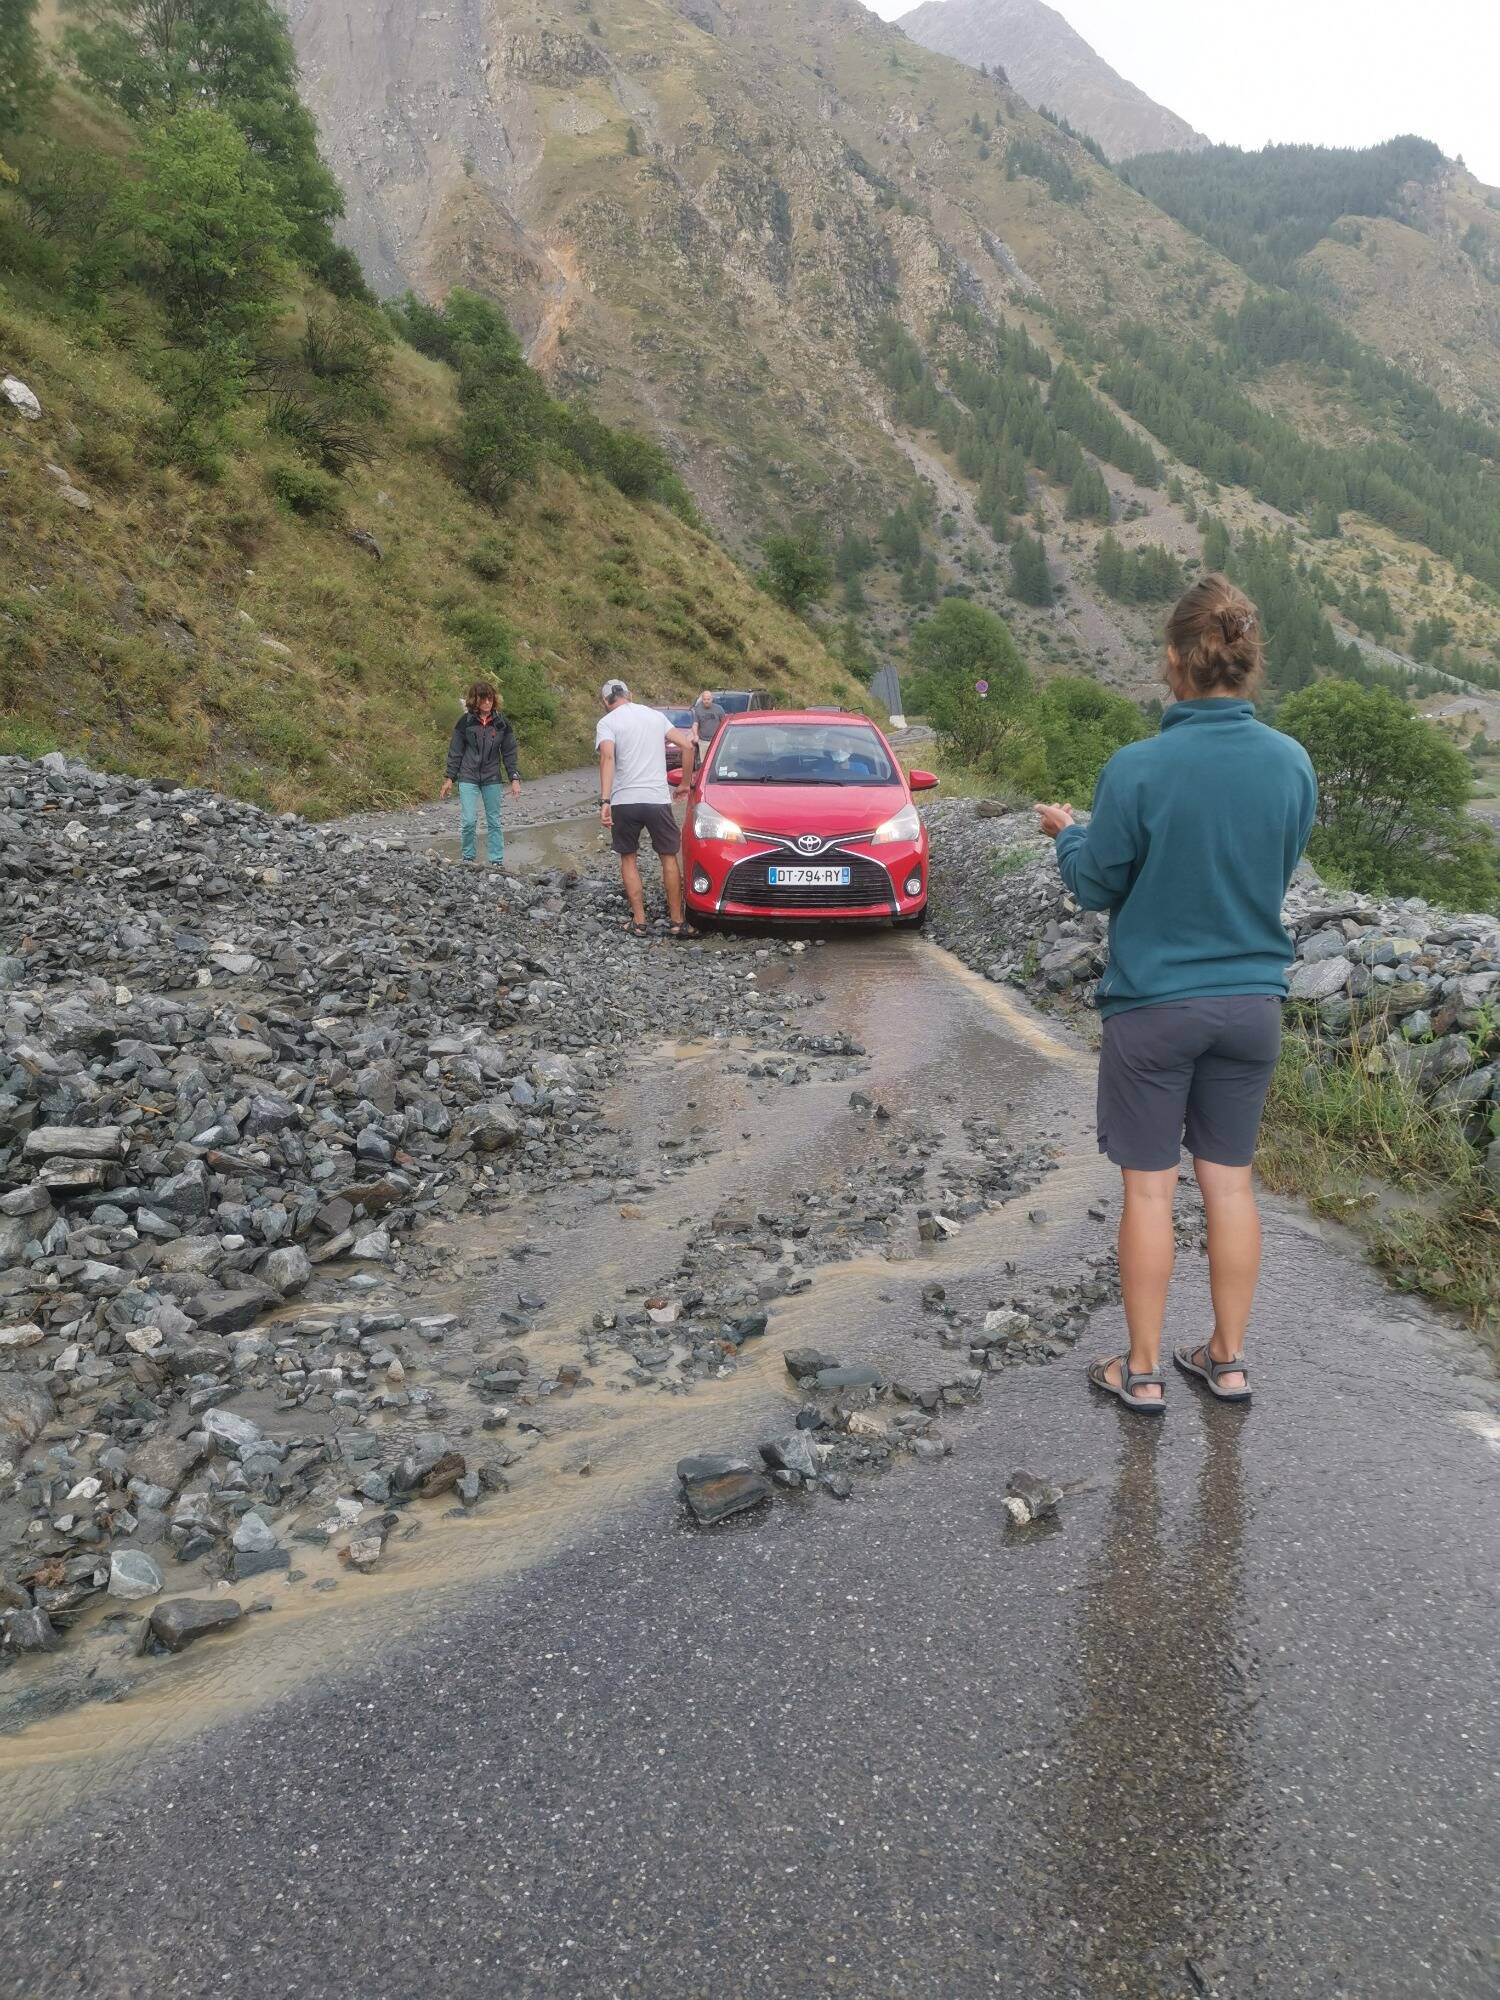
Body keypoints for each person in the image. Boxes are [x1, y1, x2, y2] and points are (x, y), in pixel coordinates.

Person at [1034, 574, 1317, 1413]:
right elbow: (1276, 862)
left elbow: (1094, 882)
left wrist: (1069, 834)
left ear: (1173, 661)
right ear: (1247, 661)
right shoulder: (1292, 763)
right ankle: (1226, 1361)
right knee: (1230, 1183)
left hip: (1155, 1006)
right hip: (1251, 1006)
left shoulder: (1137, 768)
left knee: (1150, 1189)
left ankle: (1145, 1368)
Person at [595, 678, 697, 938]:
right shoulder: (654, 716)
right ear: (629, 693)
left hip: (624, 800)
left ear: (606, 702)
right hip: (656, 797)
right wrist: (684, 783)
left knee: (628, 857)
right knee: (668, 856)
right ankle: (677, 921)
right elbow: (687, 745)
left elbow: (607, 757)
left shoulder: (607, 723)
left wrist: (605, 801)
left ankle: (640, 921)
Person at [440, 682, 521, 882]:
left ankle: (496, 860)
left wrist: (514, 778)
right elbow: (456, 752)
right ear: (474, 700)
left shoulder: (501, 723)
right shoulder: (465, 723)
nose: (487, 702)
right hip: (468, 776)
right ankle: (468, 858)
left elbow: (509, 753)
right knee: (469, 820)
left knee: (494, 820)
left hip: (492, 777)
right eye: (483, 698)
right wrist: (450, 778)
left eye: (490, 698)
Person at [690, 688, 726, 771]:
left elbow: (724, 723)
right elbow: (695, 724)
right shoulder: (698, 709)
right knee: (704, 763)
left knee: (716, 761)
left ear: (712, 699)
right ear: (702, 699)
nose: (706, 701)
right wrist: (695, 735)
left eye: (708, 699)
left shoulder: (719, 709)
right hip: (703, 741)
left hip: (716, 741)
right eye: (704, 699)